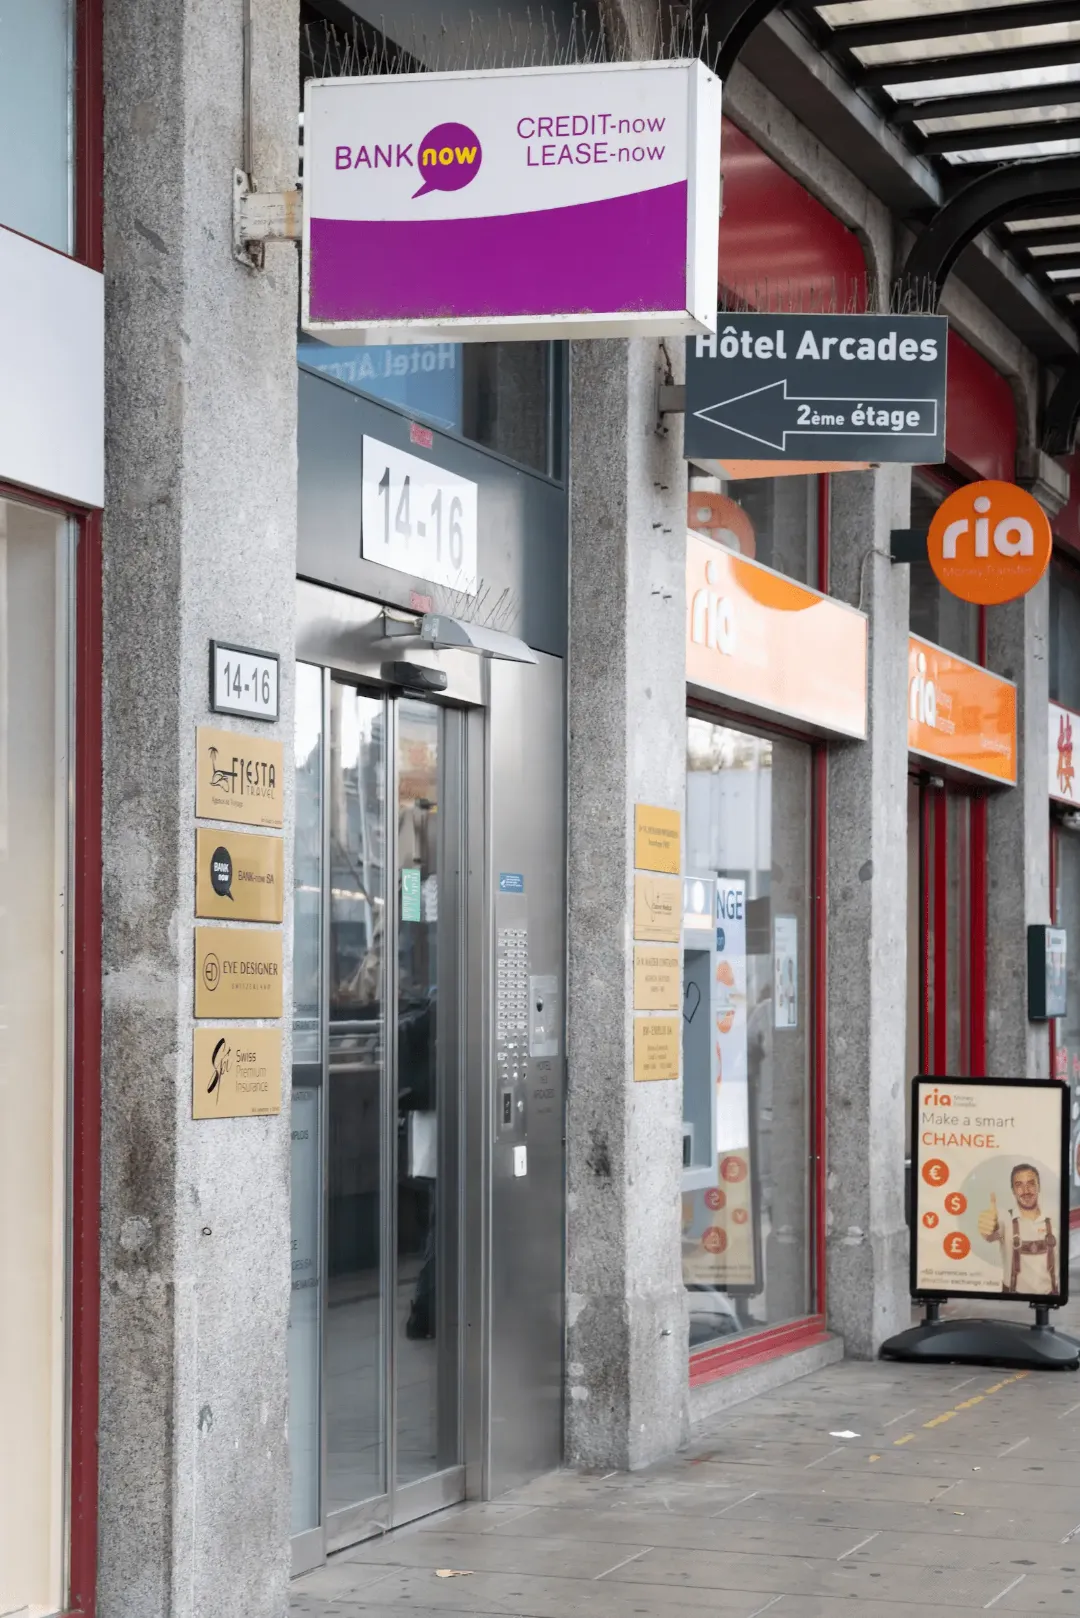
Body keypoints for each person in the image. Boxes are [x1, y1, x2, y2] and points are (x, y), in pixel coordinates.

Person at [978, 1164, 1058, 1295]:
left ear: (1039, 1187)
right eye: (1019, 1185)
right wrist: (988, 1227)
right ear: (1013, 1191)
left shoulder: (1053, 1221)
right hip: (1013, 1302)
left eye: (1031, 1184)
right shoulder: (1005, 1219)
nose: (1026, 1191)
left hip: (1049, 1299)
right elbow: (991, 1234)